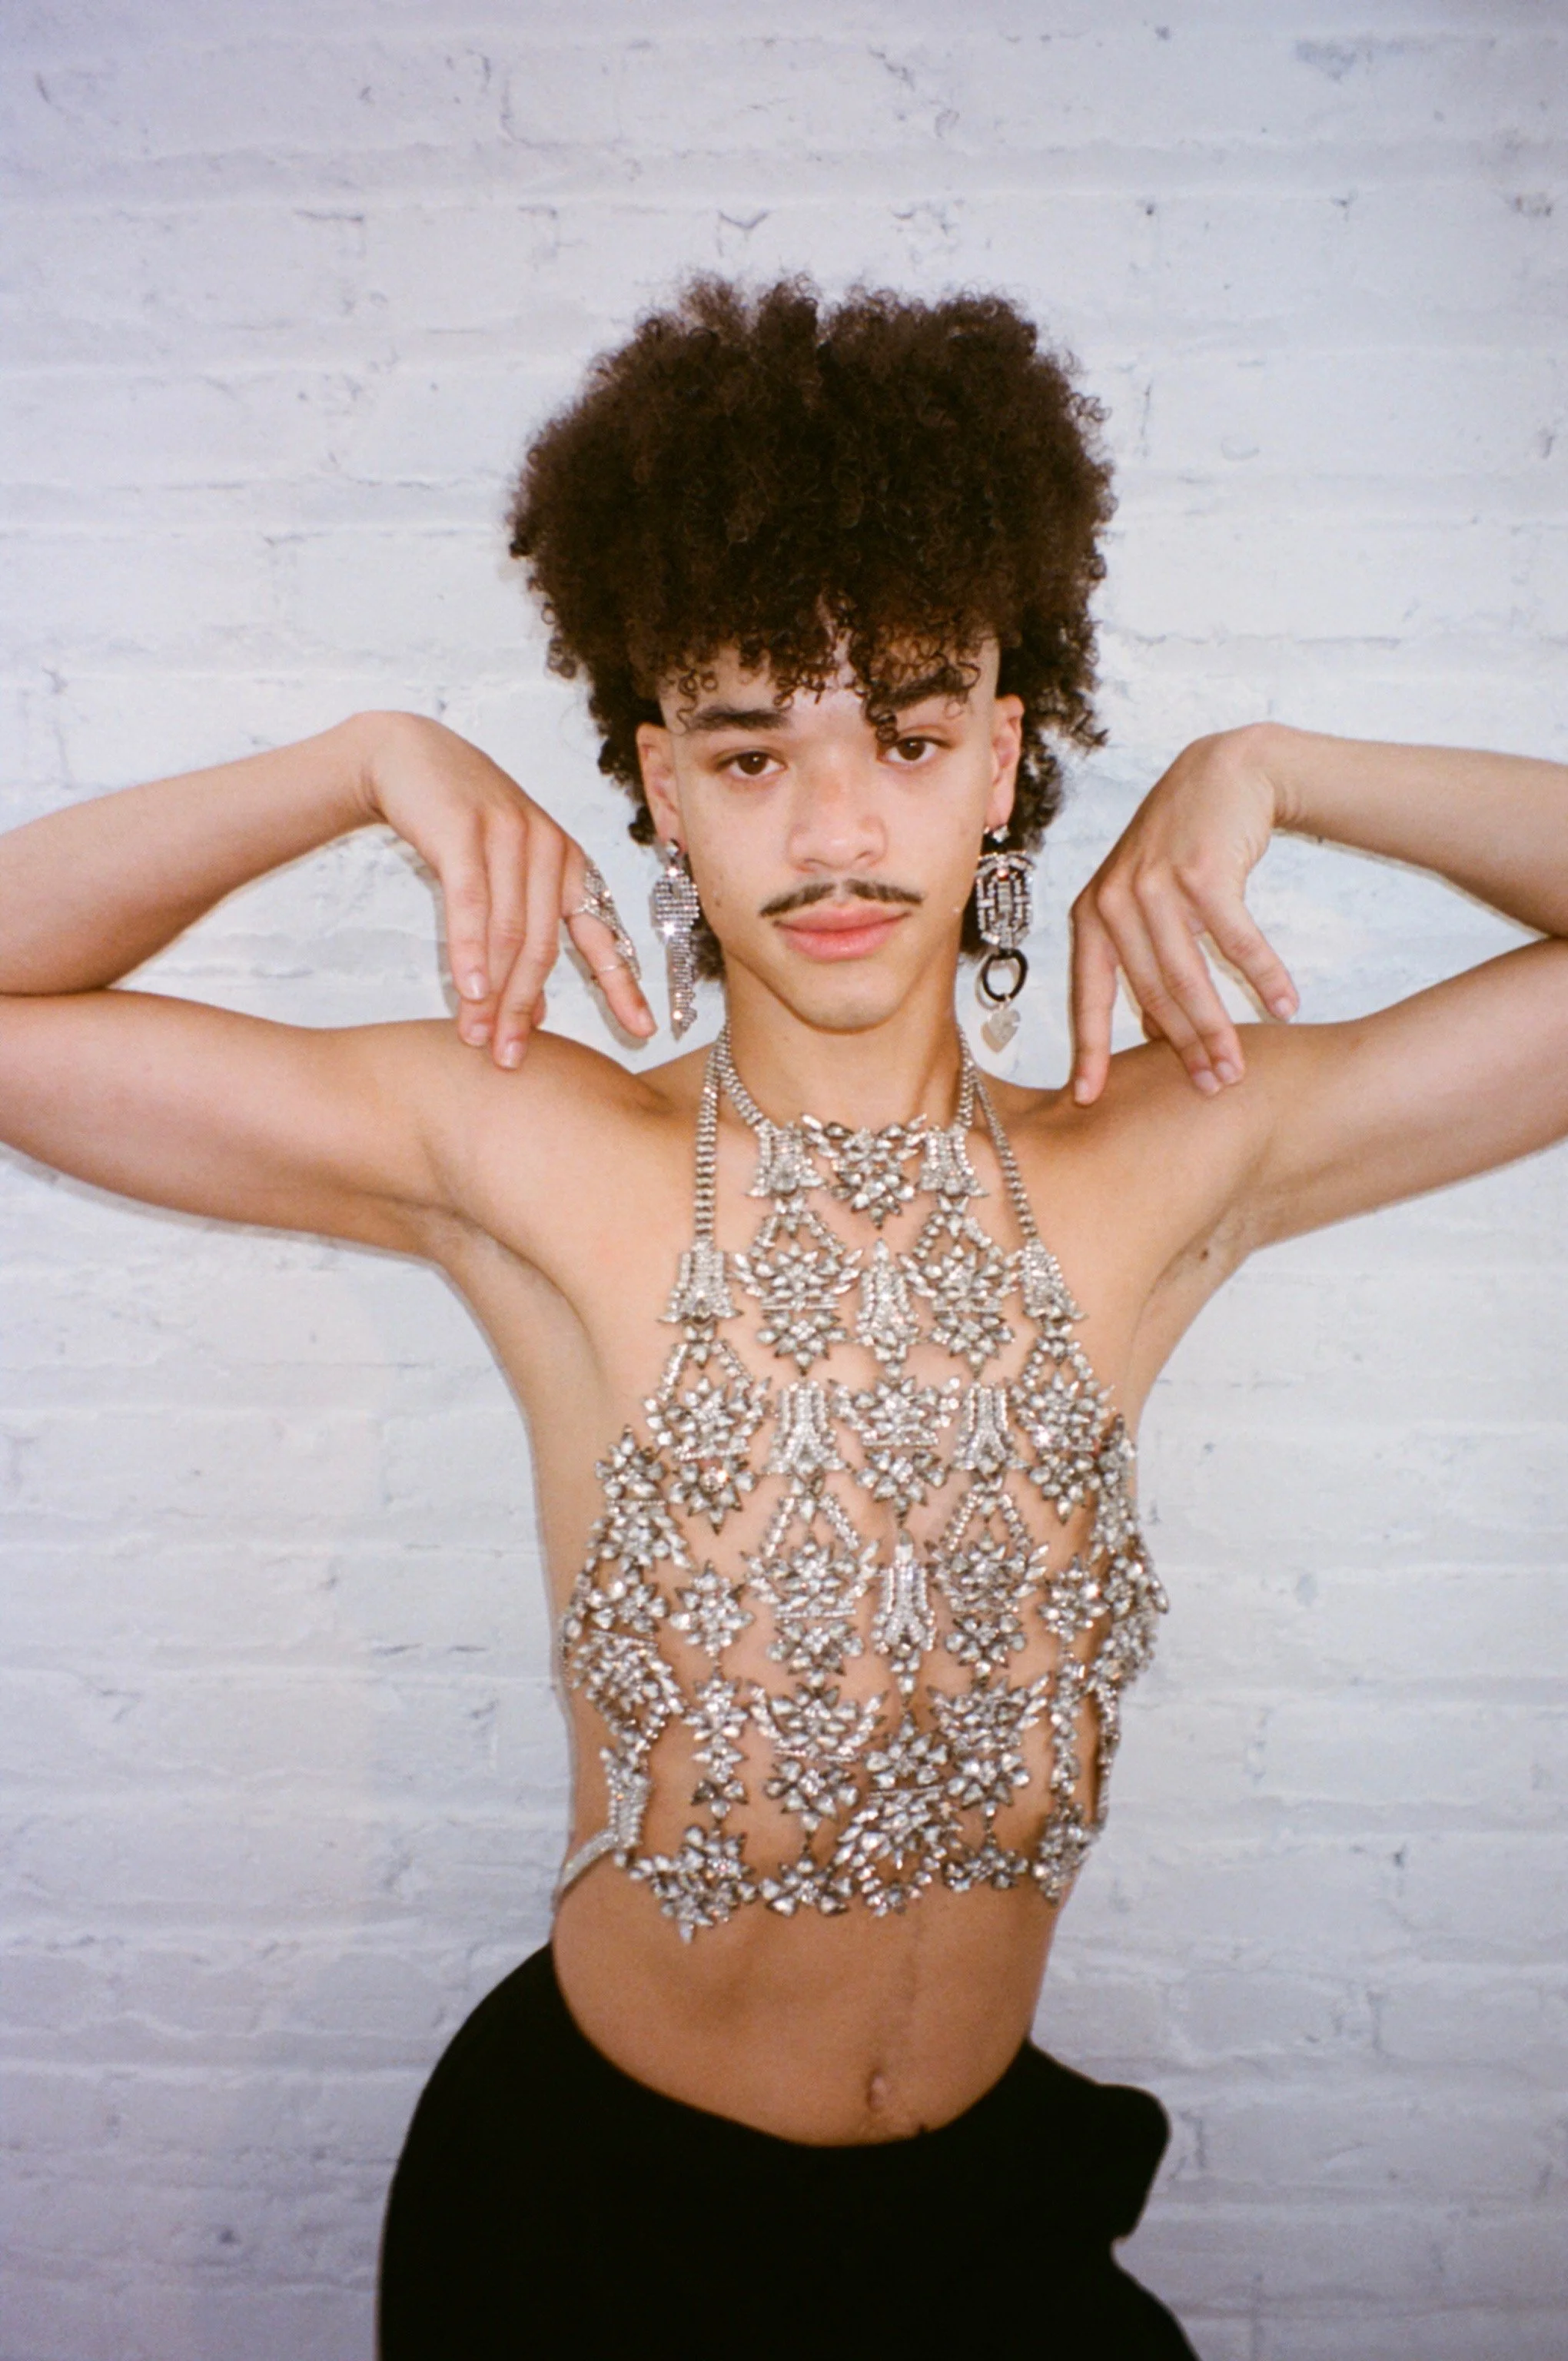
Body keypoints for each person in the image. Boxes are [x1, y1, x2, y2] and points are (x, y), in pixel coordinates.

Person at [2, 277, 1565, 2357]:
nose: (836, 833)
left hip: (983, 2237)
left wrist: (1279, 766)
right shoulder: (538, 1153)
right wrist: (362, 765)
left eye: (909, 739)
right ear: (661, 784)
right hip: (597, 2245)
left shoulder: (1160, 1160)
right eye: (752, 753)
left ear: (1005, 755)